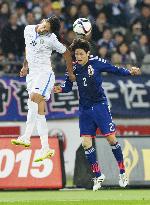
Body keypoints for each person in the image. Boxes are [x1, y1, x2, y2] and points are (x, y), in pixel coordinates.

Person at [54, 38, 141, 191]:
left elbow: (115, 69)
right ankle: (98, 175)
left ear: (87, 53)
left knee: (111, 139)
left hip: (100, 106)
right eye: (76, 55)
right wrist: (60, 89)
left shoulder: (97, 62)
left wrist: (129, 72)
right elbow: (68, 86)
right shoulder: (73, 67)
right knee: (86, 143)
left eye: (81, 54)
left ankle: (122, 172)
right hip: (85, 109)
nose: (78, 57)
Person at [11, 16, 75, 162]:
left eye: (48, 30)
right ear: (44, 20)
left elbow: (66, 53)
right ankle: (45, 148)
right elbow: (28, 48)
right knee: (38, 109)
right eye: (45, 26)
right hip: (32, 74)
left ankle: (26, 136)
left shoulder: (51, 38)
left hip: (45, 74)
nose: (45, 30)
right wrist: (25, 65)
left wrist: (70, 72)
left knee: (34, 98)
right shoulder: (27, 29)